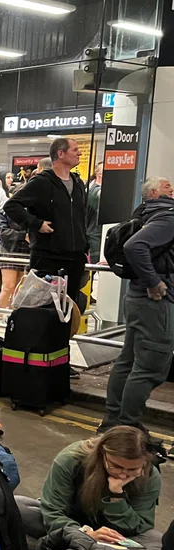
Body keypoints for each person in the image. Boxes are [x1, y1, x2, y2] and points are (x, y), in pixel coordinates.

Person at [99, 181, 174, 442]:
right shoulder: (167, 217)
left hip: (137, 297)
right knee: (151, 366)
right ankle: (128, 428)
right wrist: (154, 282)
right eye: (167, 186)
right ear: (153, 193)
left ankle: (113, 422)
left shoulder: (144, 214)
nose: (172, 189)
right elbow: (134, 246)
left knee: (128, 360)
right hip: (155, 300)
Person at [15, 426, 161, 541]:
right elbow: (53, 510)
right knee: (18, 506)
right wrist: (85, 534)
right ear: (102, 453)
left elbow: (141, 527)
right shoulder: (71, 459)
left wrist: (116, 497)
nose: (123, 474)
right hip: (73, 525)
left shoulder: (150, 475)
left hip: (116, 535)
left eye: (132, 469)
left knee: (156, 539)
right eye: (116, 466)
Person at [4, 138, 89, 304]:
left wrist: (83, 244)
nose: (79, 153)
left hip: (75, 258)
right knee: (45, 309)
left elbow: (80, 217)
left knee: (70, 311)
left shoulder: (78, 184)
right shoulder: (42, 182)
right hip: (48, 257)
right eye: (75, 149)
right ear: (60, 153)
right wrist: (36, 224)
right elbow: (12, 206)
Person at [86, 162, 104, 260]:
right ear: (100, 174)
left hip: (94, 232)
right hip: (95, 234)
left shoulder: (89, 189)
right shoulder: (96, 192)